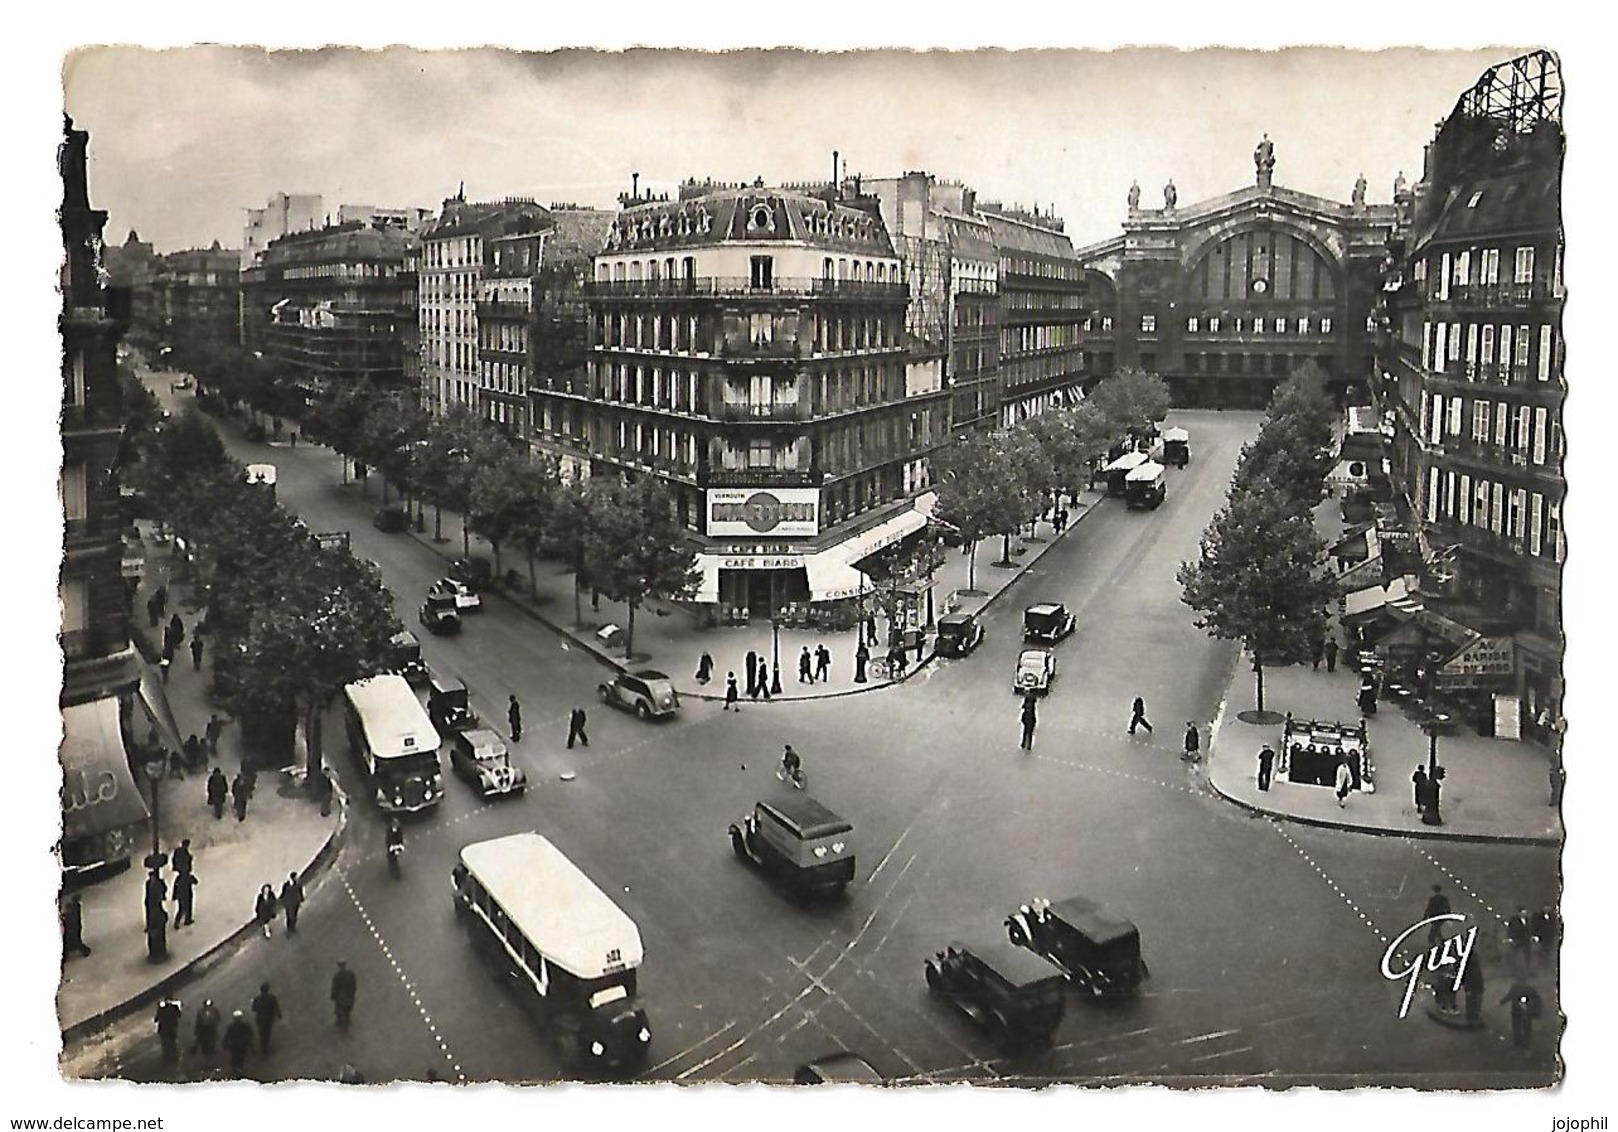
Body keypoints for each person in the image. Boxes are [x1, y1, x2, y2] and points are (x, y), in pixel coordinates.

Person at [1500, 981, 1543, 1050]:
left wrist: (1501, 1002)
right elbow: (1509, 995)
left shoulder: (1517, 986)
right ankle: (1522, 1044)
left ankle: (1521, 1044)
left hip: (1520, 1011)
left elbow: (1509, 995)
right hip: (1521, 1012)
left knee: (1520, 1028)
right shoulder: (1527, 987)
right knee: (1522, 1028)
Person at [251, 982, 283, 1054]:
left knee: (262, 1033)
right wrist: (278, 1014)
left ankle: (263, 1048)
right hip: (268, 1019)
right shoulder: (272, 998)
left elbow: (253, 1009)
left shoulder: (257, 999)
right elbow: (276, 1007)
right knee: (267, 1033)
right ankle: (265, 1048)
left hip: (260, 1019)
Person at [222, 1010, 254, 1077]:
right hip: (235, 1044)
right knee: (235, 1056)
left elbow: (250, 1034)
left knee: (240, 1056)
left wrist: (248, 1041)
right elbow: (227, 1035)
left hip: (241, 1044)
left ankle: (238, 1068)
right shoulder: (232, 1027)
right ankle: (236, 1068)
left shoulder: (243, 1026)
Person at [154, 997, 183, 1065]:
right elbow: (179, 1015)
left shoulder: (162, 1009)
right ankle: (172, 1055)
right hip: (170, 1028)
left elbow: (156, 1019)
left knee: (167, 1042)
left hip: (165, 1029)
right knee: (171, 1042)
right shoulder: (172, 1008)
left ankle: (168, 1056)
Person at [61, 894, 92, 958]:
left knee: (75, 942)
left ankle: (85, 950)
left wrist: (65, 917)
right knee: (75, 942)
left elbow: (71, 919)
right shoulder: (76, 908)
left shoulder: (73, 910)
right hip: (75, 928)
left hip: (73, 930)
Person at [331, 959, 358, 1028]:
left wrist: (333, 995)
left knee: (339, 1008)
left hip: (341, 996)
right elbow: (354, 984)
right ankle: (345, 1019)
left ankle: (339, 1020)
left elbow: (335, 987)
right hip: (348, 995)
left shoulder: (337, 975)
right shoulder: (350, 973)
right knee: (347, 1007)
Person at [1506, 909, 1534, 975]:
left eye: (1525, 913)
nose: (1524, 914)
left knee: (1527, 956)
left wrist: (1531, 937)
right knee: (1516, 957)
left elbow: (1530, 930)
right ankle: (1515, 971)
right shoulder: (1513, 920)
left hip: (1526, 941)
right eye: (1522, 913)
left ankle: (1527, 971)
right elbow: (1510, 930)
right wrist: (1511, 938)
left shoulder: (1528, 920)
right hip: (1517, 940)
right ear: (1518, 913)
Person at [192, 998, 221, 1063]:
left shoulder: (215, 1011)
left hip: (211, 1031)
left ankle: (211, 1061)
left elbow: (218, 1019)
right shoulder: (200, 1012)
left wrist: (215, 1025)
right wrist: (197, 1030)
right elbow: (198, 1022)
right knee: (205, 1047)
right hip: (203, 1031)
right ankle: (207, 1061)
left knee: (212, 1046)